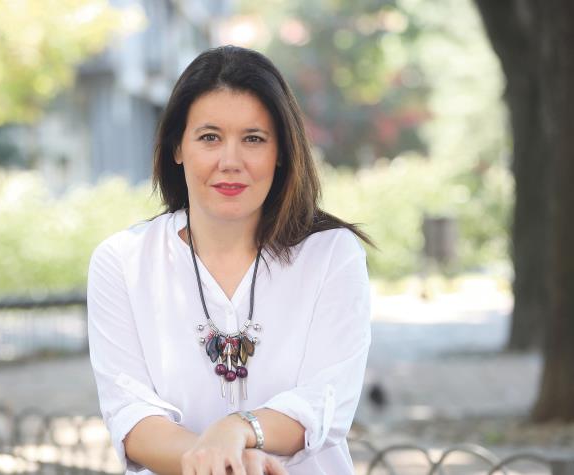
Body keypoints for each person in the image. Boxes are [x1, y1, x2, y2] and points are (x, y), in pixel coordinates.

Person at [87, 45, 373, 475]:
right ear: (177, 146)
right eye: (210, 137)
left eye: (253, 139)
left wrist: (240, 430)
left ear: (282, 151)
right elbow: (132, 416)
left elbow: (325, 401)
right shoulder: (122, 261)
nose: (230, 162)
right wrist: (226, 462)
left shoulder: (332, 254)